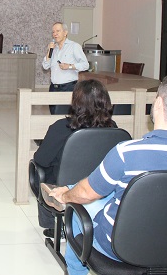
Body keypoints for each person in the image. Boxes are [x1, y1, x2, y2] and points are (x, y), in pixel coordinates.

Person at [47, 73, 167, 275]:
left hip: (120, 247)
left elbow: (85, 194)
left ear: (158, 104)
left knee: (77, 206)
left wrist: (66, 196)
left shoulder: (127, 152)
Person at [33, 79, 116, 237]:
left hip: (64, 188)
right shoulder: (114, 129)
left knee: (39, 170)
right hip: (100, 187)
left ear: (75, 102)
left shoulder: (61, 127)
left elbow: (41, 160)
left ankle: (54, 222)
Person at [41, 22, 89, 114]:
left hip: (68, 87)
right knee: (54, 114)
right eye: (53, 32)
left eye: (58, 31)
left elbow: (85, 65)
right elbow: (45, 66)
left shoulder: (74, 46)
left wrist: (70, 66)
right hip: (53, 88)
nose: (55, 34)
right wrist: (49, 51)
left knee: (65, 115)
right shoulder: (53, 48)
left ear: (65, 32)